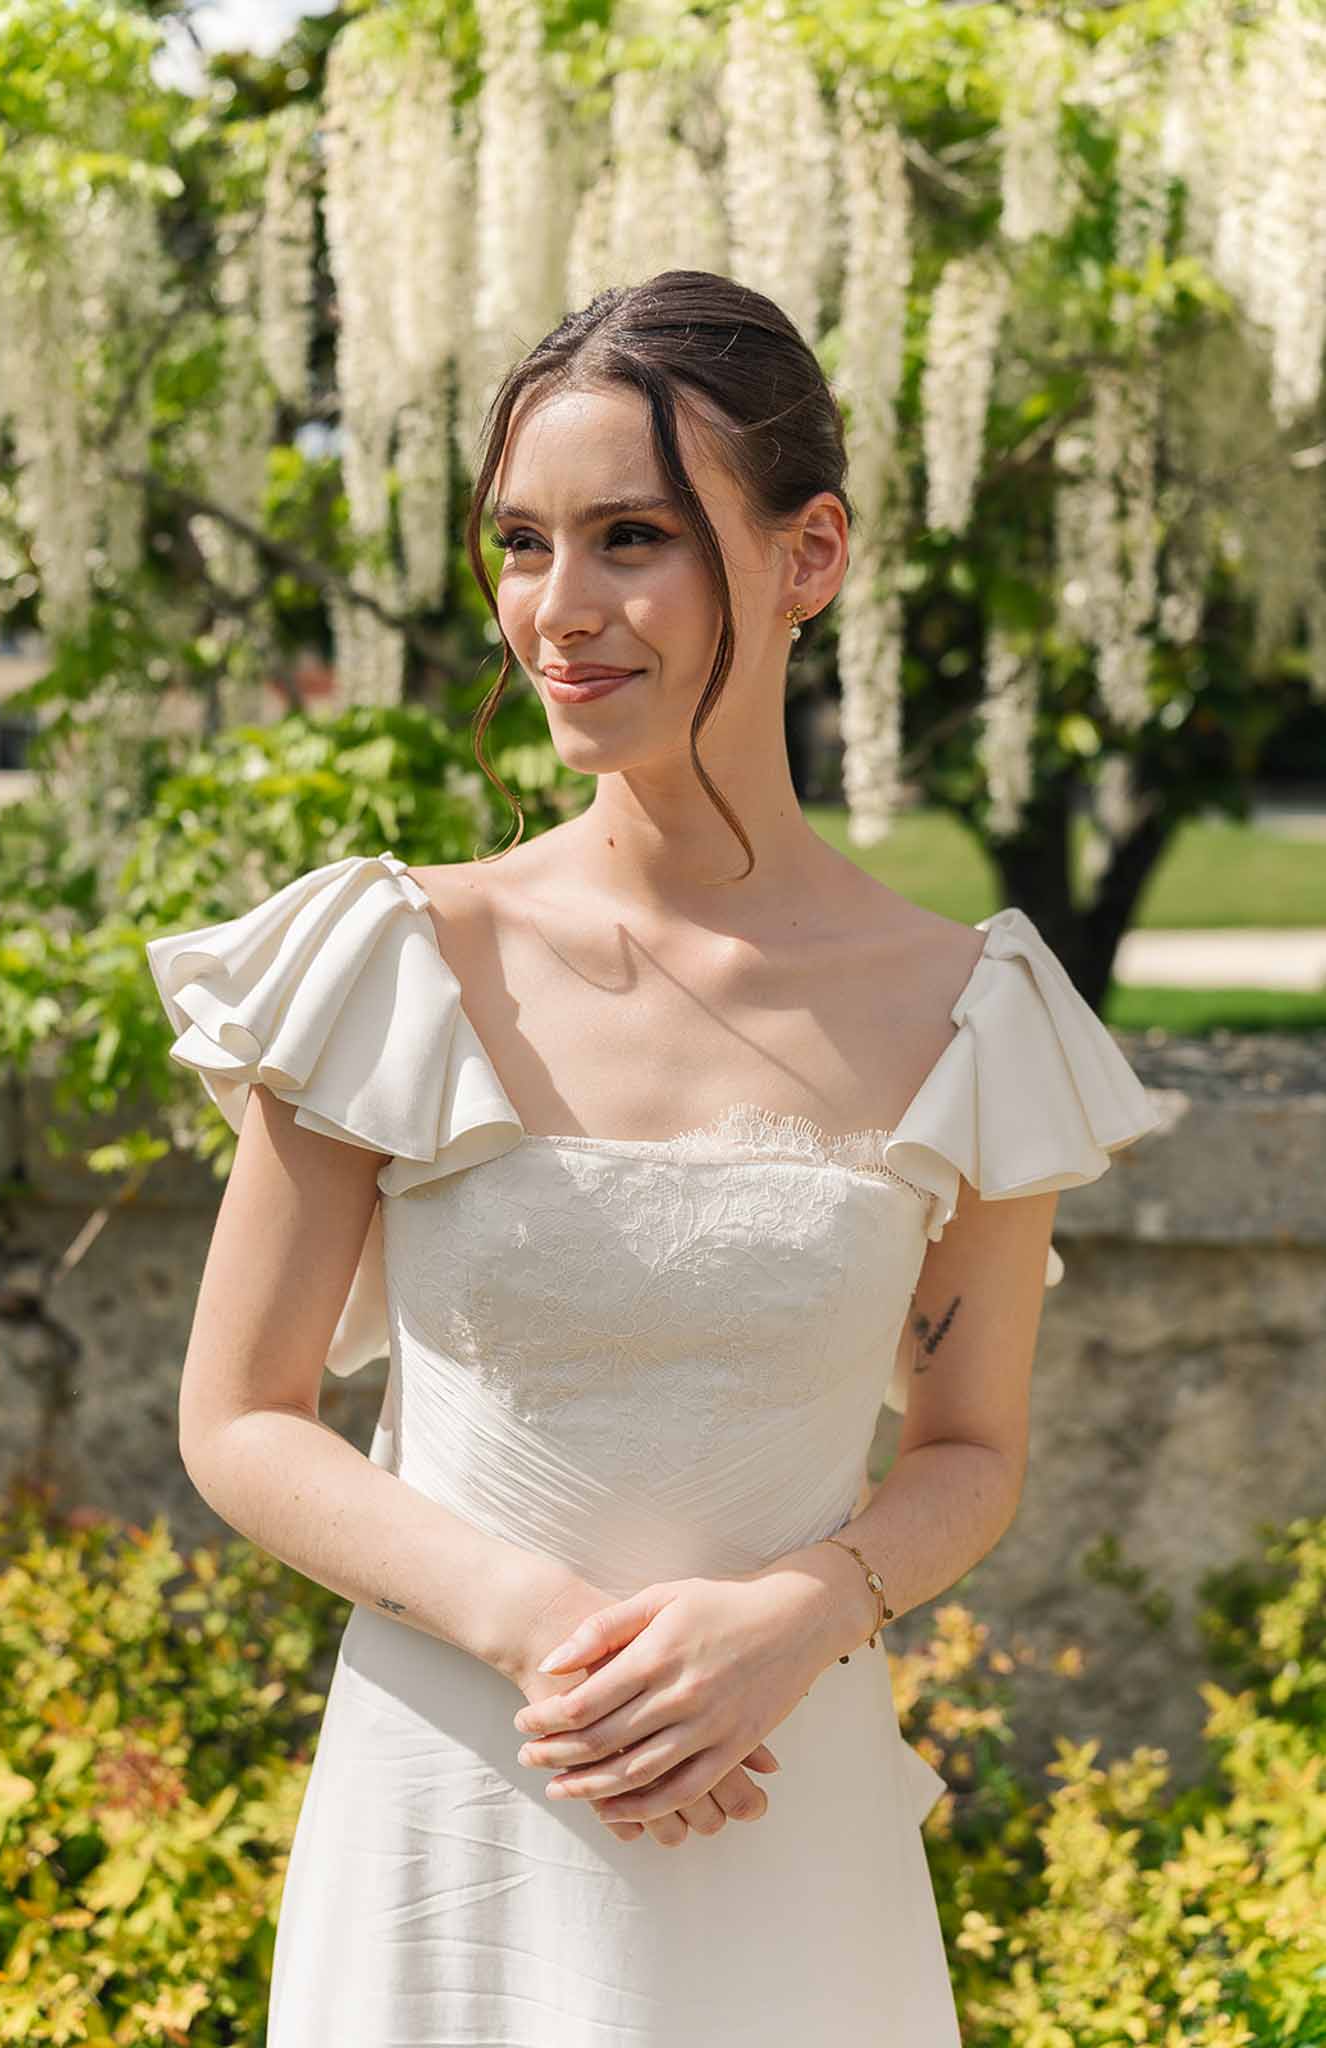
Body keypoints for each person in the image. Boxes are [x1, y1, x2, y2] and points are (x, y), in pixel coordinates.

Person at [145, 269, 1161, 2046]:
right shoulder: (399, 955)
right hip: (457, 1810)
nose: (558, 609)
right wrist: (548, 1636)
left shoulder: (969, 1009)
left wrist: (787, 1621)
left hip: (786, 1809)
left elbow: (971, 1450)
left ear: (806, 556)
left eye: (631, 536)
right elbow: (237, 1417)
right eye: (521, 542)